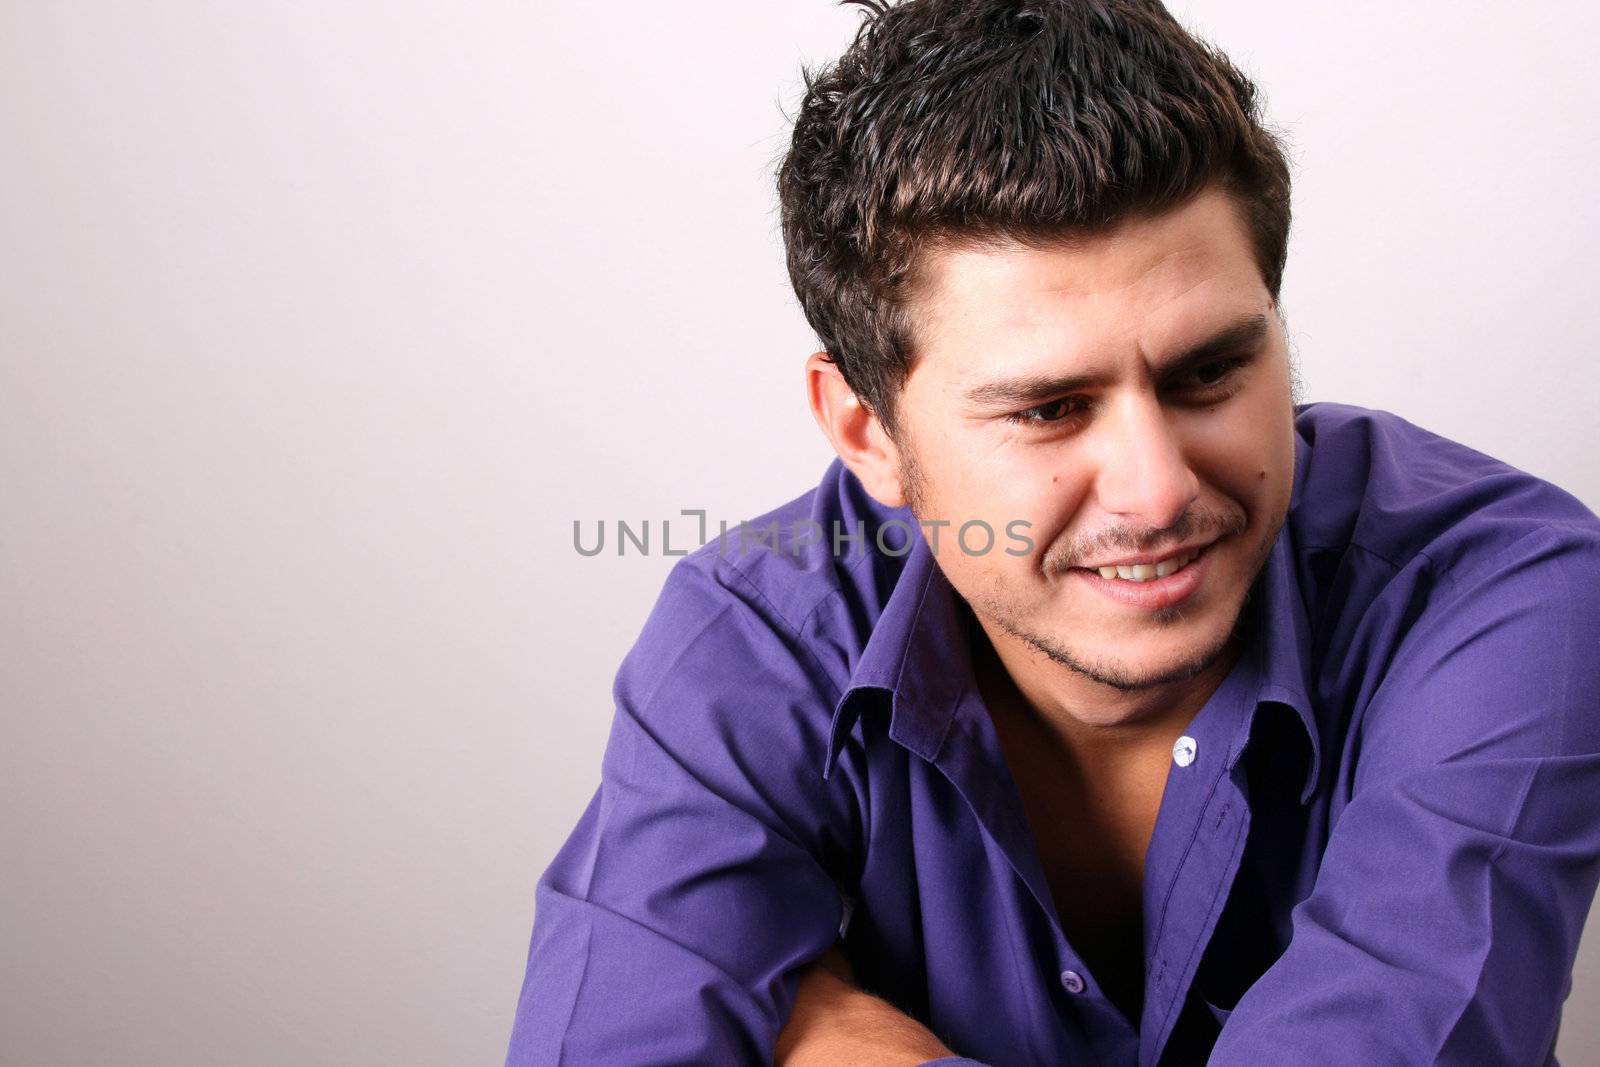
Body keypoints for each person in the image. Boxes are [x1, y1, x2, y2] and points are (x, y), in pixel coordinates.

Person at [505, 1, 1600, 1063]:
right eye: (1048, 409)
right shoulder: (756, 632)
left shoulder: (1503, 594)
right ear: (865, 428)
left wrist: (837, 1042)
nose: (1156, 490)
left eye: (1211, 371)